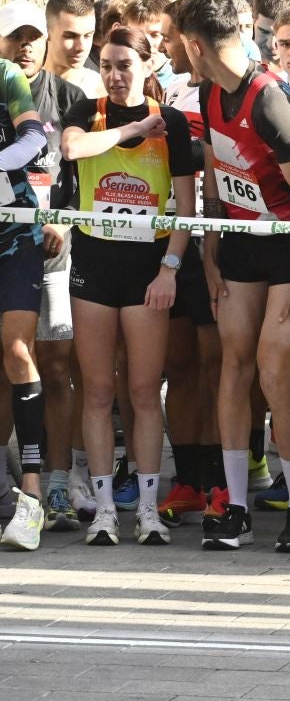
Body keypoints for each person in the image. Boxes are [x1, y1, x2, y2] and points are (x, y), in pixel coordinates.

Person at [177, 0, 290, 554]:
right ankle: (235, 506)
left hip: (288, 247)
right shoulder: (210, 88)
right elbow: (216, 170)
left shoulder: (268, 102)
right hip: (239, 245)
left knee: (273, 370)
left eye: (179, 44)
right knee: (232, 366)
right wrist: (210, 251)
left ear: (196, 45)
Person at [57, 27, 199, 548]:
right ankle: (102, 512)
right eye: (108, 65)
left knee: (142, 391)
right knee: (95, 391)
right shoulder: (86, 110)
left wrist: (169, 270)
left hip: (146, 271)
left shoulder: (175, 124)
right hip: (93, 266)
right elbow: (72, 150)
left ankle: (147, 508)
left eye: (125, 66)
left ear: (149, 65)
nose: (115, 76)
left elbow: (187, 210)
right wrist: (134, 127)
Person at [0, 27, 54, 551]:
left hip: (15, 233)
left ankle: (33, 494)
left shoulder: (6, 75)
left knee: (17, 351)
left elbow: (35, 138)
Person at [44, 0, 105, 97]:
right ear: (47, 32)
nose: (81, 47)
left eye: (88, 35)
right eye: (70, 36)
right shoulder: (21, 84)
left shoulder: (99, 89)